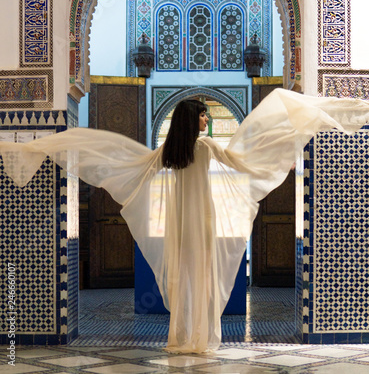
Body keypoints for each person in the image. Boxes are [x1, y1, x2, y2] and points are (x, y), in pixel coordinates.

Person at [2, 88, 369, 353]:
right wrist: (281, 160)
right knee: (204, 278)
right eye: (204, 113)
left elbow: (126, 164)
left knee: (183, 280)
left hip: (178, 224)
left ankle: (180, 338)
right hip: (204, 223)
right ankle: (202, 339)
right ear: (194, 119)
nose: (207, 117)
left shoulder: (168, 152)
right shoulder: (206, 146)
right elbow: (244, 164)